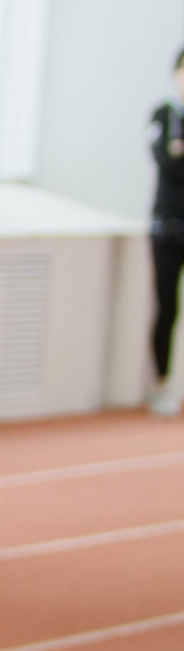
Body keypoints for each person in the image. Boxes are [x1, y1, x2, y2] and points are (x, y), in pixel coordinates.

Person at [147, 51, 184, 417]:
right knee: (168, 306)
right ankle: (162, 382)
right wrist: (174, 155)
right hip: (166, 228)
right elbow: (168, 165)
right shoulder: (164, 115)